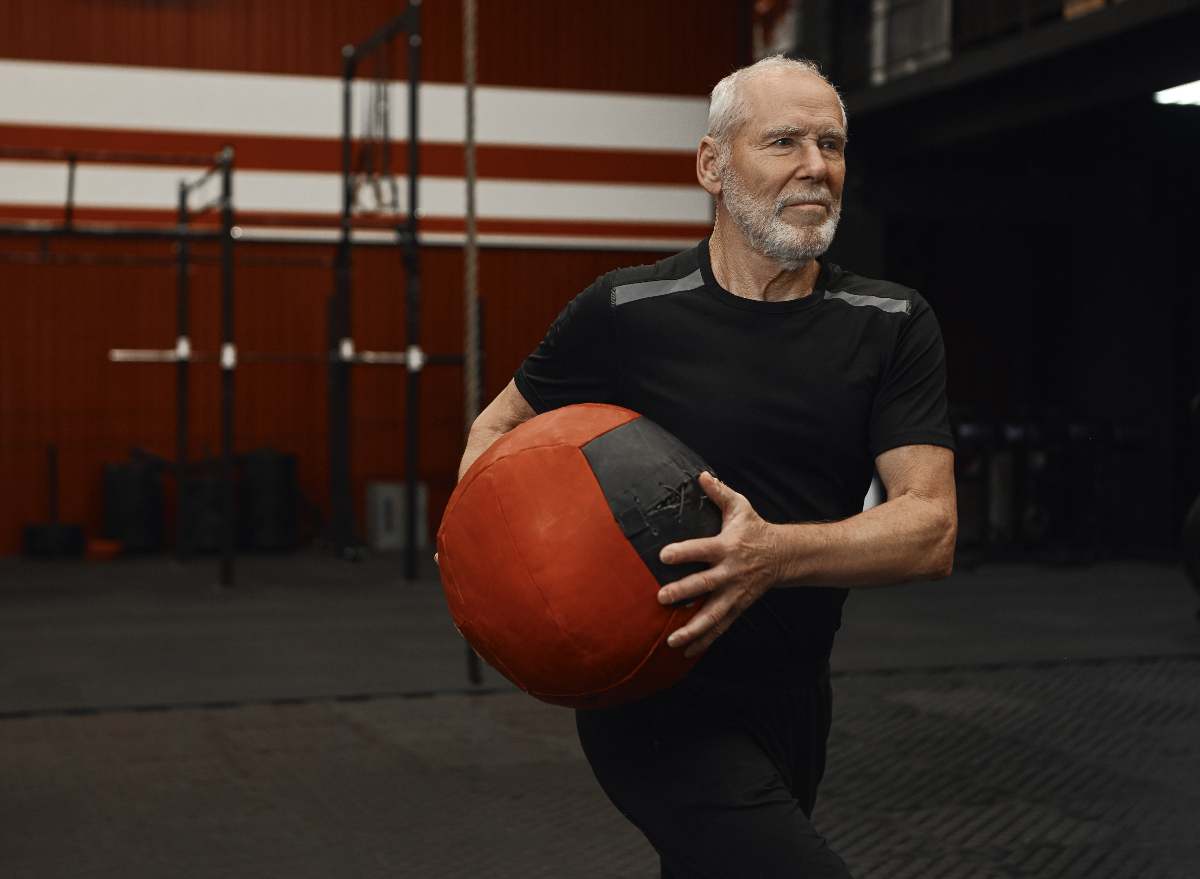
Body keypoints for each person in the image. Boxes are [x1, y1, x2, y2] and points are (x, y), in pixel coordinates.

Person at [454, 55, 957, 879]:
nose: (815, 167)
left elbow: (930, 529)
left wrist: (773, 555)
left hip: (795, 692)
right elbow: (499, 428)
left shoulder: (892, 322)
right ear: (711, 166)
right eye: (784, 141)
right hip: (653, 695)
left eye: (831, 144)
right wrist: (485, 564)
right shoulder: (624, 311)